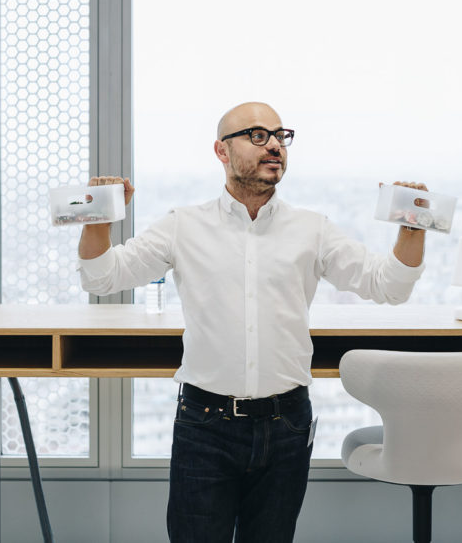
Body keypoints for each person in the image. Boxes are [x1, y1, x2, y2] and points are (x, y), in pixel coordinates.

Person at [78, 102, 427, 543]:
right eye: (258, 135)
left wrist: (413, 226)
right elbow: (102, 277)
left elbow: (389, 285)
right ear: (221, 151)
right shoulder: (182, 226)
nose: (274, 145)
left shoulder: (313, 229)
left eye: (281, 136)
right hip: (205, 425)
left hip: (287, 425)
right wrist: (99, 217)